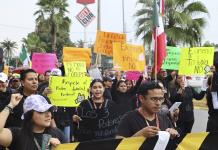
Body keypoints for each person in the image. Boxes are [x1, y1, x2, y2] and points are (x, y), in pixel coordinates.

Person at [0, 94, 67, 150]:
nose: (48, 114)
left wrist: (59, 148)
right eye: (41, 111)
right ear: (29, 116)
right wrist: (10, 106)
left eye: (49, 110)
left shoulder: (57, 134)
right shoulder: (17, 134)